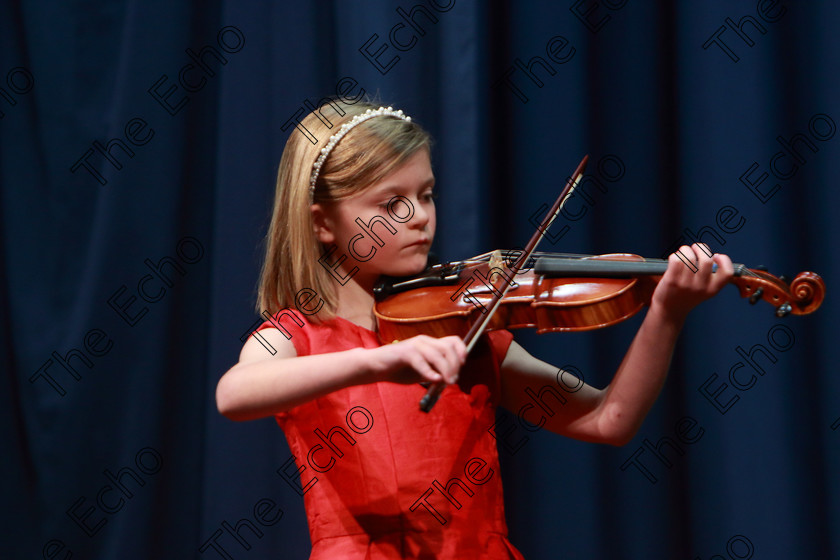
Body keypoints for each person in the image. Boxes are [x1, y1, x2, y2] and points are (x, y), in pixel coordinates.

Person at [215, 99, 734, 559]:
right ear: (323, 223)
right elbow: (234, 393)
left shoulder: (464, 330)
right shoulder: (296, 336)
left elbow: (608, 419)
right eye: (391, 204)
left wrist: (667, 313)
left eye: (427, 194)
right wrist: (379, 360)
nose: (420, 216)